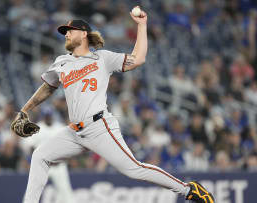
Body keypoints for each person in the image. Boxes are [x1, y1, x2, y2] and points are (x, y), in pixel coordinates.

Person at [12, 6, 214, 203]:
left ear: (83, 34)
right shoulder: (61, 61)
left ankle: (188, 190)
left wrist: (142, 26)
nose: (65, 34)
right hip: (74, 132)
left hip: (100, 126)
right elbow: (48, 87)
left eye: (69, 31)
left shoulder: (102, 58)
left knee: (134, 169)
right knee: (40, 156)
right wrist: (24, 110)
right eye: (64, 32)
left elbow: (138, 59)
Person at [20, 108, 75, 203]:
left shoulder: (60, 127)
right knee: (33, 190)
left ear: (52, 116)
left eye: (49, 116)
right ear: (43, 117)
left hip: (58, 166)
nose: (48, 118)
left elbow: (69, 146)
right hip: (43, 165)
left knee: (66, 193)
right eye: (46, 116)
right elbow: (29, 145)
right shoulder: (36, 128)